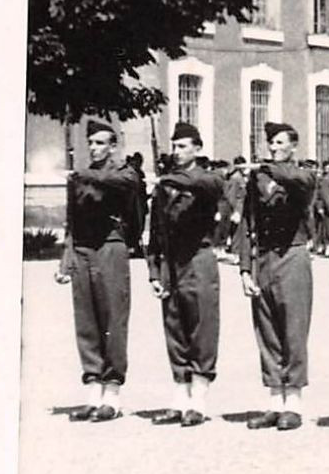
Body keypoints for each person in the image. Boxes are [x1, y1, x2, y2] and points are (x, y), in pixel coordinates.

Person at [56, 120, 146, 421]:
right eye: (91, 143)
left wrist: (88, 176)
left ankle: (113, 393)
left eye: (100, 143)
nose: (94, 148)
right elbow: (71, 220)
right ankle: (93, 391)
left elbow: (128, 187)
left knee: (113, 319)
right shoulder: (79, 177)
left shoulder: (124, 173)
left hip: (110, 247)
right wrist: (66, 260)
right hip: (83, 250)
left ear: (113, 146)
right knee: (87, 320)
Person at [144, 123, 225, 426]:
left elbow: (209, 187)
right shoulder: (165, 187)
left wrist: (169, 179)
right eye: (174, 146)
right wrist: (154, 269)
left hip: (199, 258)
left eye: (182, 147)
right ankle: (180, 399)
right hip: (173, 262)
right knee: (175, 327)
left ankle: (199, 400)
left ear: (197, 149)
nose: (176, 152)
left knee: (201, 327)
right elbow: (156, 232)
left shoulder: (208, 179)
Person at [237, 122, 317, 431]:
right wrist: (246, 267)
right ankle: (275, 402)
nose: (273, 147)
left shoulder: (301, 175)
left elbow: (298, 181)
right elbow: (248, 222)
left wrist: (268, 169)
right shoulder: (258, 179)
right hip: (266, 257)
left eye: (280, 142)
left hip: (293, 254)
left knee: (293, 329)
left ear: (293, 147)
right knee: (267, 329)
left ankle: (293, 403)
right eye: (270, 142)